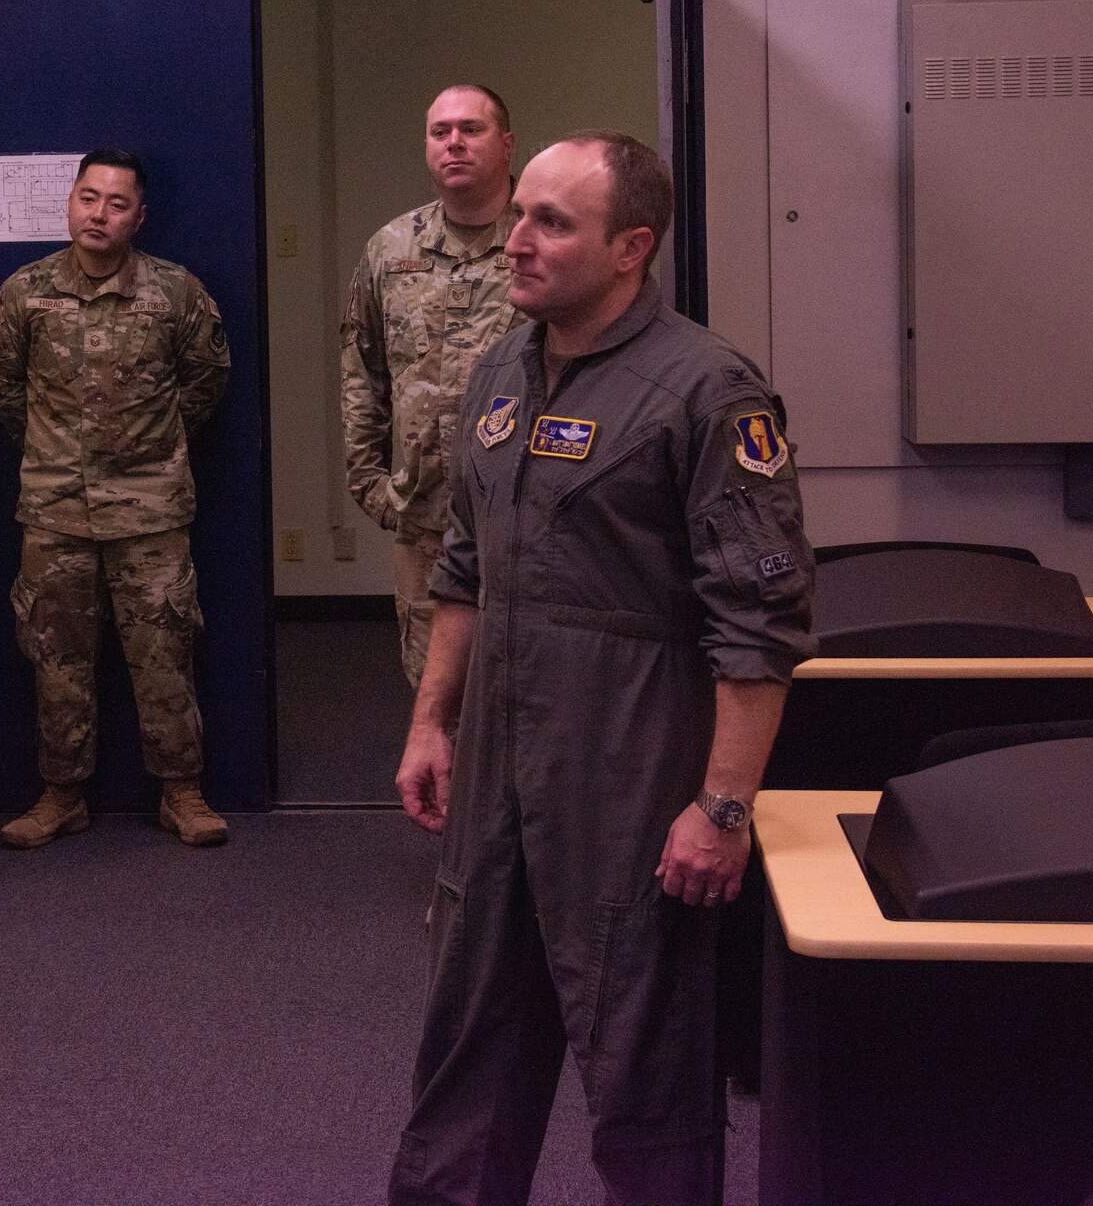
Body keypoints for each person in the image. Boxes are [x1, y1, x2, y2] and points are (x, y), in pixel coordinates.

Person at [387, 131, 816, 1205]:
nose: (514, 241)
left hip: (626, 777)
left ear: (630, 247)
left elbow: (758, 624)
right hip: (497, 772)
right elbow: (463, 568)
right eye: (518, 214)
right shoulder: (500, 368)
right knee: (463, 1067)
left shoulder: (705, 393)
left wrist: (720, 808)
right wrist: (430, 722)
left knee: (644, 1080)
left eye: (549, 223)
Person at [0, 148, 232, 849]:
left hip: (150, 508)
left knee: (164, 652)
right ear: (69, 202)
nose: (100, 213)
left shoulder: (175, 292)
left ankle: (181, 791)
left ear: (139, 216)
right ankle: (62, 794)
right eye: (89, 198)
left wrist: (147, 445)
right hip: (54, 509)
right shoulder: (25, 292)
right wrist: (54, 448)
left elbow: (205, 380)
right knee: (56, 656)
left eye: (117, 204)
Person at [342, 83, 527, 687]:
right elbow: (362, 371)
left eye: (470, 130)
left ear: (506, 143)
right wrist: (370, 484)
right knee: (433, 697)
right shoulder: (391, 250)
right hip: (425, 522)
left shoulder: (541, 241)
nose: (453, 143)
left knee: (529, 695)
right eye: (439, 131)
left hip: (531, 519)